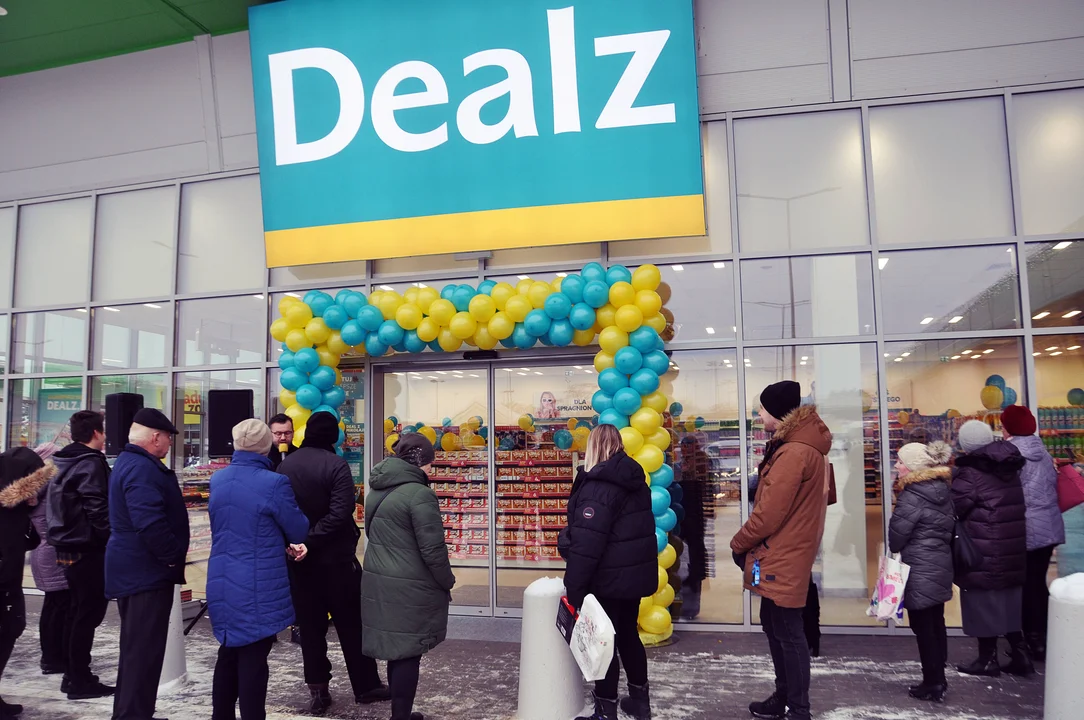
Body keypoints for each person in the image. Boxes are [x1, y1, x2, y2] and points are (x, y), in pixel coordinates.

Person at [731, 381, 831, 720]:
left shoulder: (794, 452)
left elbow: (769, 513)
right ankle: (784, 696)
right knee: (774, 625)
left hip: (784, 551)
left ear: (776, 411)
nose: (759, 414)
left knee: (787, 631)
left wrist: (739, 543)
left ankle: (798, 708)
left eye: (762, 409)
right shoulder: (799, 447)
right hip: (784, 549)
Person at [279, 411, 387, 714]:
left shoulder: (286, 466)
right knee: (352, 625)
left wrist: (298, 543)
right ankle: (366, 686)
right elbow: (341, 512)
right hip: (336, 561)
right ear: (332, 436)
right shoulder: (336, 465)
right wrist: (313, 540)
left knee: (310, 629)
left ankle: (318, 691)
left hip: (300, 562)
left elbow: (280, 511)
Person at [207, 419, 310, 720]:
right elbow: (298, 528)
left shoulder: (218, 480)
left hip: (222, 577)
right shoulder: (273, 482)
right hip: (257, 581)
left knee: (229, 651)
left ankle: (221, 715)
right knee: (254, 655)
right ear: (267, 445)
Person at [559, 424, 657, 720]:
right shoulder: (635, 480)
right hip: (632, 578)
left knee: (604, 643)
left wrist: (574, 588)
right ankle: (640, 703)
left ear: (594, 447)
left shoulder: (599, 486)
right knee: (628, 635)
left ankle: (605, 710)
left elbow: (588, 545)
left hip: (607, 580)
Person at [361, 433, 455, 720]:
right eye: (430, 462)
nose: (431, 468)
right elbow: (433, 549)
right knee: (409, 653)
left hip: (379, 578)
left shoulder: (377, 489)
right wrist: (447, 580)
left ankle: (400, 714)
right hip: (410, 584)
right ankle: (401, 715)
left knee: (397, 649)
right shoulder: (420, 494)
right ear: (419, 461)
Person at [105, 408, 190, 720]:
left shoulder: (132, 462)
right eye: (168, 437)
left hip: (139, 570)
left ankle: (135, 712)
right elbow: (149, 522)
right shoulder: (142, 468)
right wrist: (171, 558)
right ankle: (132, 715)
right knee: (142, 652)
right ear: (155, 437)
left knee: (140, 651)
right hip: (145, 572)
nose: (169, 443)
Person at [952, 420, 1030, 678]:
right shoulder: (1008, 465)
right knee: (1009, 601)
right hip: (1011, 545)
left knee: (981, 601)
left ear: (966, 444)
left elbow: (956, 507)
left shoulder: (971, 472)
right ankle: (1020, 655)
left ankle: (987, 659)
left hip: (983, 545)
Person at [46, 410, 114, 700]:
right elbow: (97, 507)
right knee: (87, 614)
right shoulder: (90, 462)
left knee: (76, 611)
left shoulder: (62, 460)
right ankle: (79, 679)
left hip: (66, 545)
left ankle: (72, 675)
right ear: (96, 433)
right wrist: (111, 538)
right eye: (103, 430)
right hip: (87, 547)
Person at [888, 441, 954, 702]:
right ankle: (939, 677)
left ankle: (933, 682)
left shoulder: (912, 495)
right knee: (936, 622)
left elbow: (897, 538)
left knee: (923, 627)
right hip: (940, 563)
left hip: (919, 567)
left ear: (912, 467)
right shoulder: (942, 490)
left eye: (900, 462)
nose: (896, 466)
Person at [1001, 405, 1064, 662]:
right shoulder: (1043, 452)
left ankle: (1034, 641)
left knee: (1026, 586)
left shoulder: (1012, 455)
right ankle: (1048, 635)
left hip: (1026, 527)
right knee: (1037, 582)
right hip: (1048, 525)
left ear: (1009, 428)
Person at [0, 447, 55, 720]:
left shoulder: (13, 507)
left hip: (8, 580)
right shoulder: (7, 510)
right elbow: (19, 542)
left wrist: (28, 509)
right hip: (4, 583)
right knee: (8, 630)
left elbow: (30, 540)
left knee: (11, 629)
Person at [28, 443, 69, 681]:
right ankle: (53, 657)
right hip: (51, 551)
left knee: (53, 605)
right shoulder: (46, 483)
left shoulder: (34, 486)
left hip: (44, 550)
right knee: (57, 606)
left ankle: (51, 656)